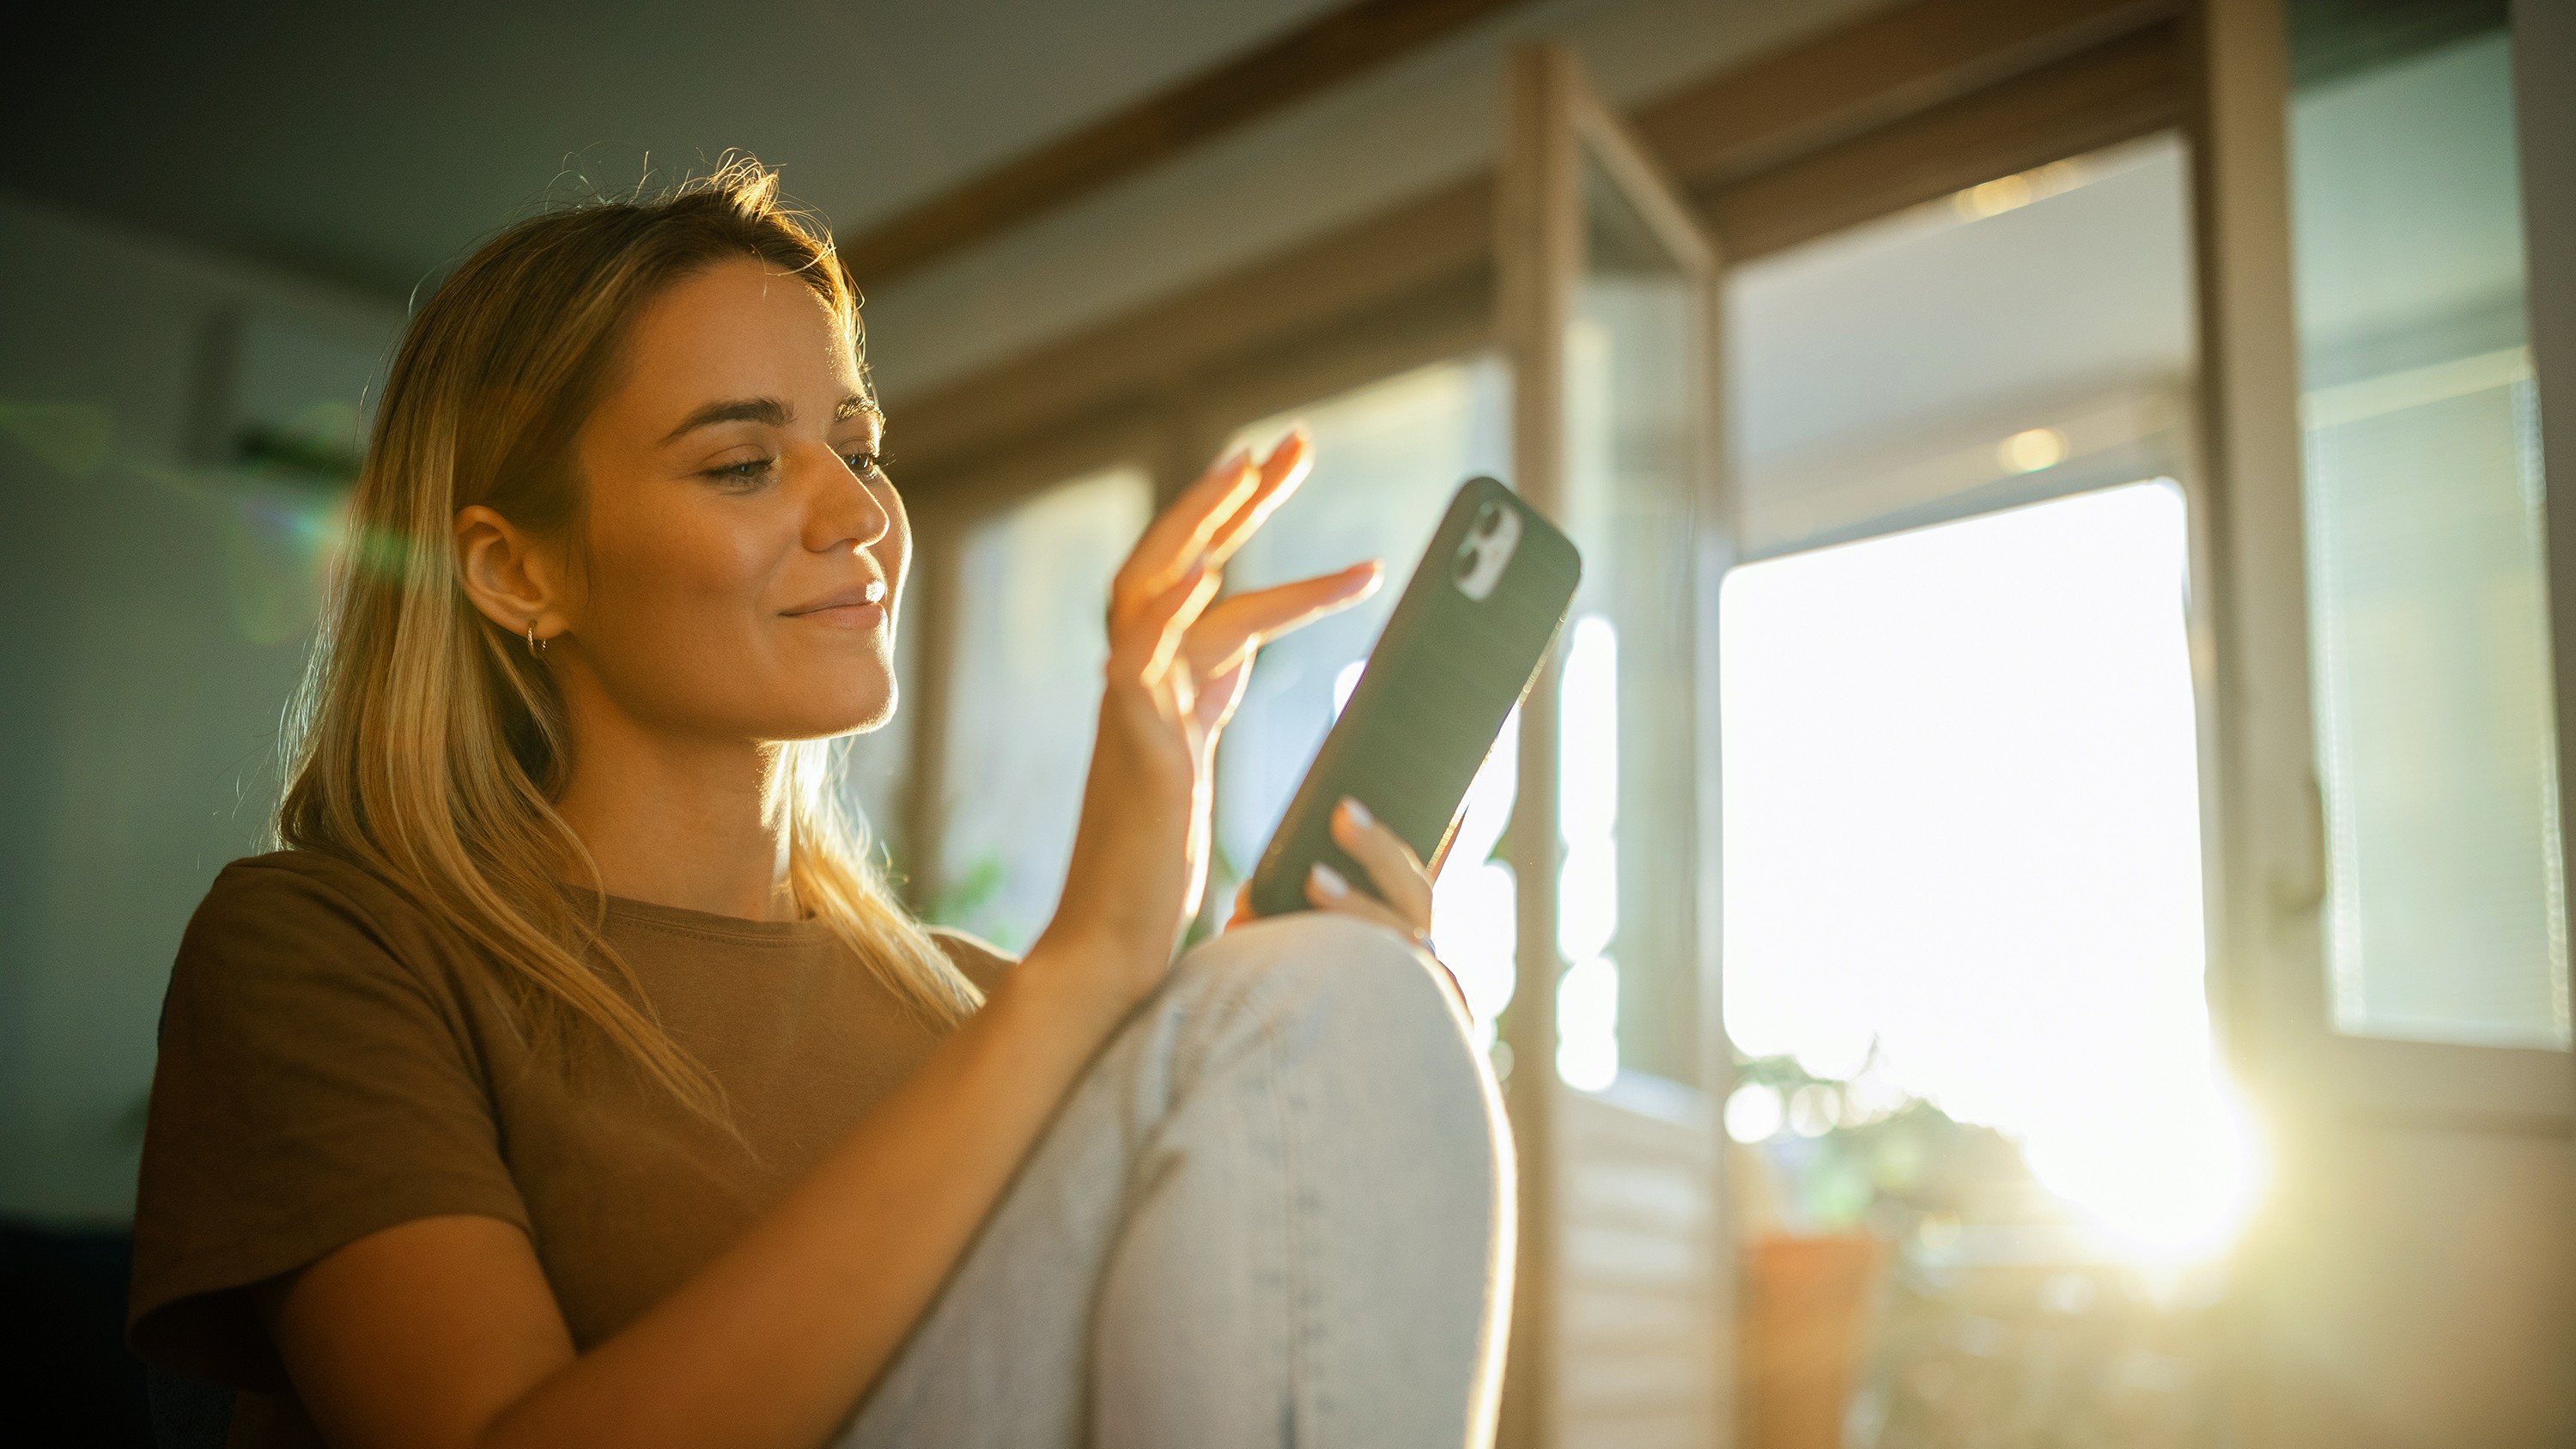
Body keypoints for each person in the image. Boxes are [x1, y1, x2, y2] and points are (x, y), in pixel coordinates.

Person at [125, 161, 1512, 1449]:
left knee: (1336, 988)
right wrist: (1093, 961)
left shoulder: (982, 1011)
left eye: (857, 446)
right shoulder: (329, 949)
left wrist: (1308, 1009)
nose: (858, 514)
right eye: (742, 463)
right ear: (516, 572)